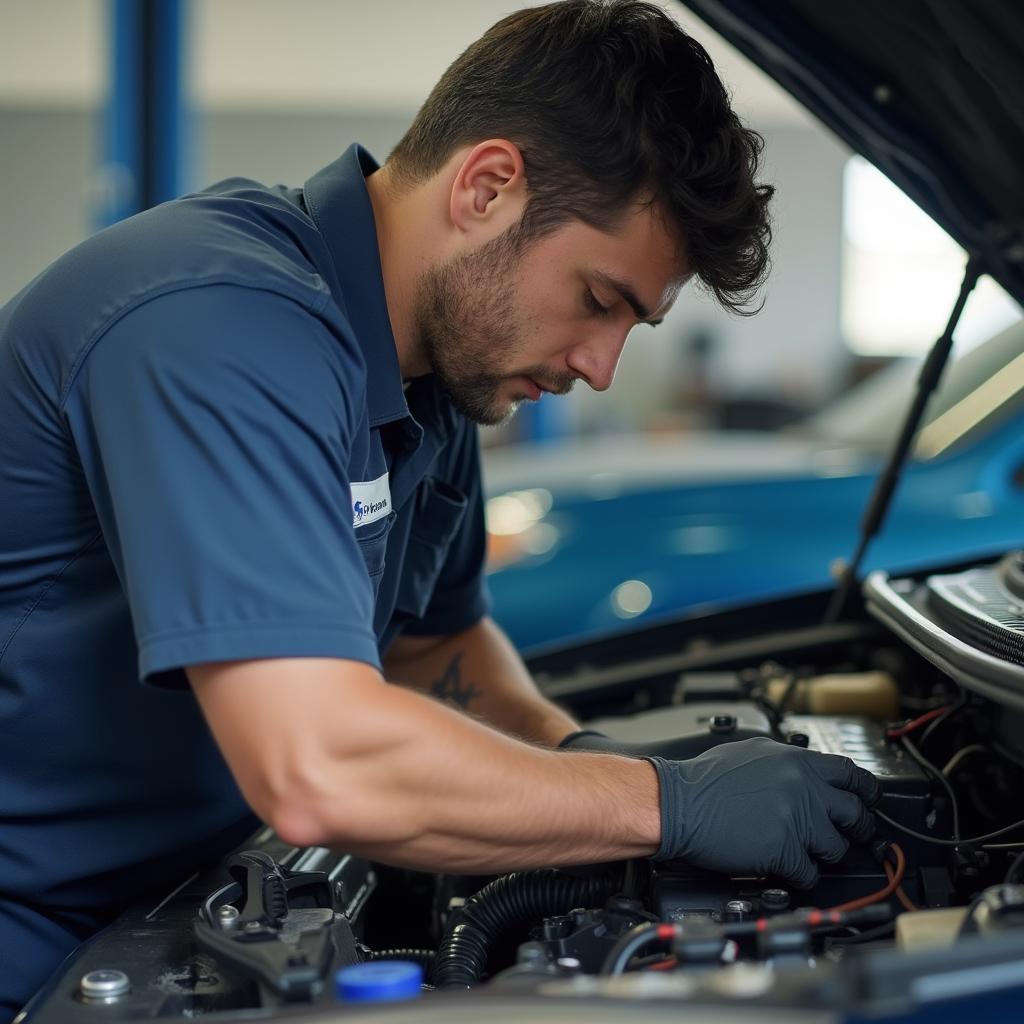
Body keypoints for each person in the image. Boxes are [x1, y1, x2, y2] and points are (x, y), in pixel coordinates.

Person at [0, 1, 880, 1013]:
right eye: (598, 301)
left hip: (169, 905)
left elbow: (434, 651)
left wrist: (573, 755)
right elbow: (319, 766)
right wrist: (660, 805)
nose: (600, 368)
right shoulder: (213, 325)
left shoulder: (430, 382)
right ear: (487, 186)